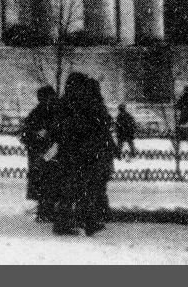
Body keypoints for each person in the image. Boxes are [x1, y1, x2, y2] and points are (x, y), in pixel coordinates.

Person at [50, 73, 116, 236]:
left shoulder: (66, 103)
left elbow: (59, 128)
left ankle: (82, 222)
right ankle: (78, 223)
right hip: (83, 152)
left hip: (71, 152)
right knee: (81, 188)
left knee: (75, 188)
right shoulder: (85, 104)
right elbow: (100, 125)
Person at [20, 85, 60, 221]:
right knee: (48, 182)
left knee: (46, 183)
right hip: (46, 153)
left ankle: (45, 211)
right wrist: (38, 136)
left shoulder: (42, 112)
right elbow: (26, 134)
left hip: (44, 153)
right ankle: (45, 212)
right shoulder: (43, 112)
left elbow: (25, 133)